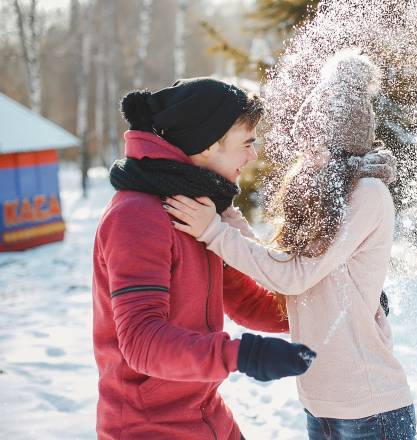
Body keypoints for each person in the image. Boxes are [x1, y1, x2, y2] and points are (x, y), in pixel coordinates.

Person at [165, 49, 417, 440]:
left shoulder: (366, 194)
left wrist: (214, 233)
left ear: (339, 139)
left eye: (313, 142)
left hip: (370, 409)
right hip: (321, 406)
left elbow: (294, 277)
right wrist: (230, 219)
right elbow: (283, 265)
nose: (305, 153)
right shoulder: (322, 192)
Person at [92, 77, 318, 440]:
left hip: (207, 416)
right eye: (246, 143)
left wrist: (331, 306)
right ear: (209, 144)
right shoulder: (137, 216)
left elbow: (243, 300)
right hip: (147, 428)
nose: (253, 156)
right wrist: (243, 355)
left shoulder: (196, 206)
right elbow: (140, 342)